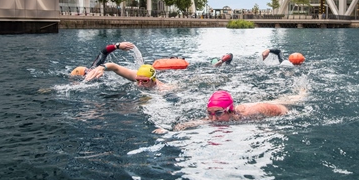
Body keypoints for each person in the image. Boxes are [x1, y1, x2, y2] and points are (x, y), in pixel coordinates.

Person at [153, 88, 307, 133]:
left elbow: (281, 110)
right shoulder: (215, 116)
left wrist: (294, 113)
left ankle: (301, 93)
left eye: (218, 113)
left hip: (275, 107)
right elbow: (194, 123)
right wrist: (169, 131)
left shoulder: (254, 112)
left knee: (295, 99)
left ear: (230, 111)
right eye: (210, 113)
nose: (213, 119)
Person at [70, 42, 135, 76]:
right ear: (84, 76)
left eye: (87, 69)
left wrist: (117, 46)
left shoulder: (95, 68)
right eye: (86, 72)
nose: (89, 70)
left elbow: (104, 52)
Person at [85, 63, 165, 89]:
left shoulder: (162, 89)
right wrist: (102, 67)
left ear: (153, 81)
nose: (140, 84)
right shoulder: (139, 76)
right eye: (138, 80)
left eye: (145, 81)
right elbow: (115, 67)